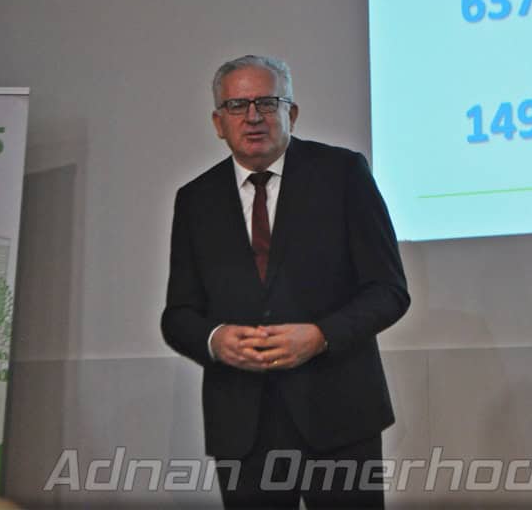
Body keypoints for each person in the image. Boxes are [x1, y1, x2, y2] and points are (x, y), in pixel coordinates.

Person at [161, 55, 410, 508]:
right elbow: (178, 315)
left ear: (291, 113)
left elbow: (389, 290)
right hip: (242, 426)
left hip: (339, 415)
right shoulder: (195, 200)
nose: (253, 116)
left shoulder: (342, 174)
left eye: (266, 102)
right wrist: (216, 340)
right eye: (237, 105)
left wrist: (321, 336)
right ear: (218, 123)